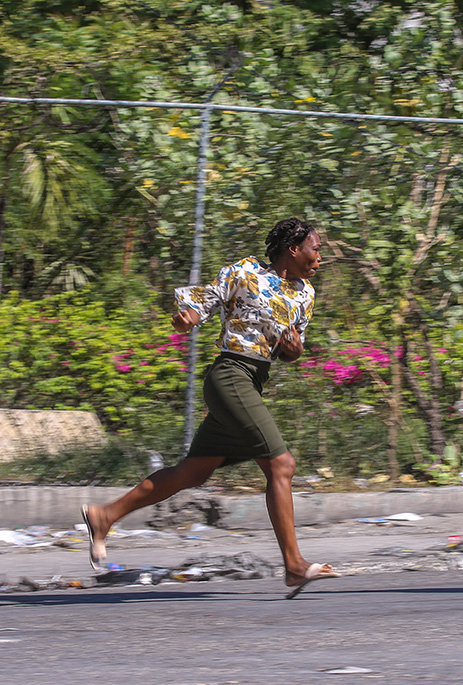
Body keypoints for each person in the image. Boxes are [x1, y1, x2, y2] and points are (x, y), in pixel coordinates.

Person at [81, 217, 338, 599]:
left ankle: (105, 516)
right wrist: (187, 319)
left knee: (193, 472)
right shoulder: (245, 271)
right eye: (316, 249)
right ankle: (294, 565)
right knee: (282, 465)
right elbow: (205, 302)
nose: (320, 257)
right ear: (293, 249)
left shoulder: (305, 294)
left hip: (253, 381)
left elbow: (292, 351)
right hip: (230, 375)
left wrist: (294, 349)